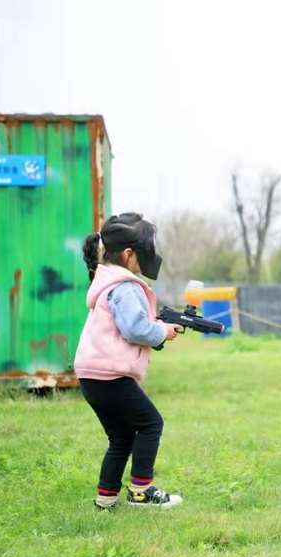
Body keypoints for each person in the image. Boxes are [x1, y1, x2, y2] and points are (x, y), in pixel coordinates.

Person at [74, 213, 183, 510]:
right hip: (110, 376)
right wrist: (162, 331)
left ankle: (105, 499)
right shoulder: (124, 286)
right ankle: (141, 492)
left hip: (92, 375)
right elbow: (134, 329)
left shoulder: (107, 282)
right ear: (128, 254)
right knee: (150, 424)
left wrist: (157, 330)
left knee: (121, 436)